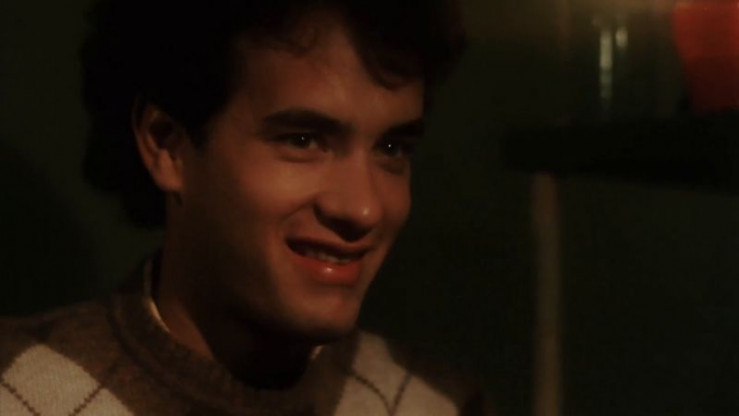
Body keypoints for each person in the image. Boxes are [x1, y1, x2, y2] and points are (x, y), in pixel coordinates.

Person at [0, 0, 489, 414]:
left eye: (392, 149)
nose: (364, 209)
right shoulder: (19, 392)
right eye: (303, 140)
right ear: (167, 146)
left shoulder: (437, 405)